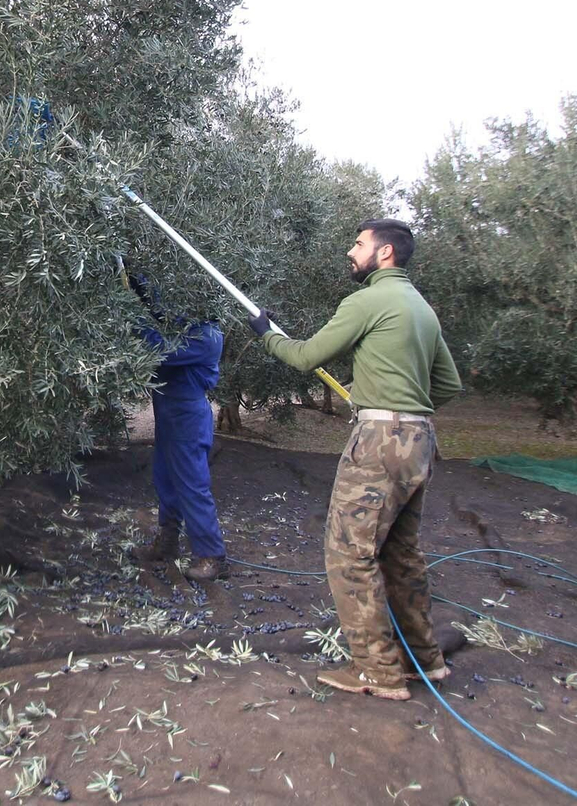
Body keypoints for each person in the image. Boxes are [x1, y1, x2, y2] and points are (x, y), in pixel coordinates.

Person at [251, 218, 463, 700]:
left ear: (384, 253)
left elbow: (306, 357)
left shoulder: (367, 300)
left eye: (359, 243)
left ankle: (377, 671)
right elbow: (448, 386)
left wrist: (265, 333)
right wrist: (403, 401)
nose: (351, 251)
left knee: (349, 553)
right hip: (420, 440)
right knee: (400, 554)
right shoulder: (421, 308)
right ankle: (423, 660)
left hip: (379, 443)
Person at [128, 275, 229, 582]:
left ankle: (213, 557)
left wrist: (129, 318)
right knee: (166, 480)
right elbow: (162, 311)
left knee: (192, 485)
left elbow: (159, 347)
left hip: (188, 418)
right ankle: (167, 543)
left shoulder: (207, 337)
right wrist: (138, 284)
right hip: (170, 415)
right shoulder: (191, 324)